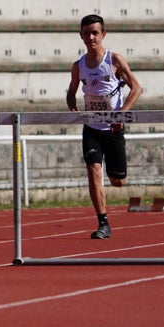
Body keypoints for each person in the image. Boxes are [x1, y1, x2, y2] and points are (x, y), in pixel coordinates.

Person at [66, 14, 143, 240]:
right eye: (87, 33)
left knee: (118, 181)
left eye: (95, 33)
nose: (91, 37)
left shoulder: (114, 60)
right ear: (81, 36)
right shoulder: (78, 66)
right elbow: (71, 92)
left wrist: (121, 113)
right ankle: (103, 223)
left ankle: (115, 172)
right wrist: (72, 107)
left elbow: (136, 88)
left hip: (113, 129)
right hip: (91, 128)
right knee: (93, 170)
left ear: (103, 35)